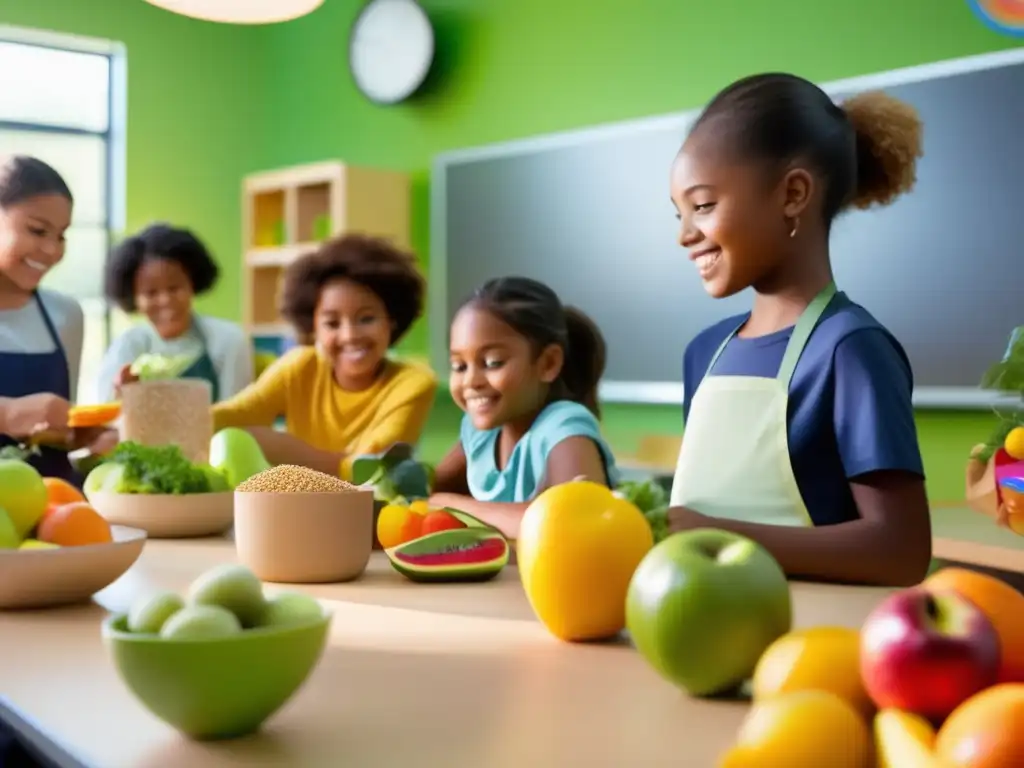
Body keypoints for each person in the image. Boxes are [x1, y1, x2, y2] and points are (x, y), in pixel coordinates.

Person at [666, 73, 932, 587]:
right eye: (678, 214)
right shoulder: (704, 354)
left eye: (701, 206)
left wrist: (718, 536)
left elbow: (901, 550)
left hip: (808, 644)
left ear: (792, 194)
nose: (684, 235)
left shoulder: (851, 350)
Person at [210, 233, 436, 478]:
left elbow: (372, 467)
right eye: (332, 323)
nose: (349, 335)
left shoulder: (413, 382)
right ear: (313, 326)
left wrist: (287, 451)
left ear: (391, 320)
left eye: (366, 319)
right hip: (298, 506)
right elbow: (238, 412)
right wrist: (178, 415)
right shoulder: (299, 366)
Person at [429, 276, 619, 540]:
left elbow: (571, 522)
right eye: (459, 366)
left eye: (493, 362)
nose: (471, 381)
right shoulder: (479, 434)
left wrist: (452, 505)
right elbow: (423, 493)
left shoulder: (563, 426)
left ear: (548, 363)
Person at [0, 155, 112, 483]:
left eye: (61, 235)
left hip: (58, 512)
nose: (51, 250)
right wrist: (8, 414)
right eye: (38, 230)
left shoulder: (66, 315)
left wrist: (89, 438)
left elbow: (61, 435)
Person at [95, 223, 253, 403]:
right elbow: (106, 414)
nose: (165, 300)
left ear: (192, 284)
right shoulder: (127, 347)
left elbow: (236, 415)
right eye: (151, 293)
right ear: (134, 298)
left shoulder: (229, 340)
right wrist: (121, 395)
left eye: (174, 288)